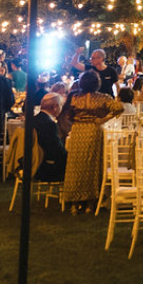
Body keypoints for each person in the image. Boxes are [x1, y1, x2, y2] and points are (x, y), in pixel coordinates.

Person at [60, 70, 123, 210]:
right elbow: (119, 107)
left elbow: (68, 115)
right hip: (94, 130)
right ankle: (90, 201)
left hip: (77, 131)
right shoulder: (103, 98)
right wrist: (103, 119)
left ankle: (74, 202)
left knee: (75, 166)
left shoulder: (74, 97)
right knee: (92, 166)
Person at [29, 94, 68, 183]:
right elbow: (56, 151)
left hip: (32, 163)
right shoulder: (49, 124)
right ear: (55, 106)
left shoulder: (33, 120)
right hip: (46, 169)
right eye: (61, 105)